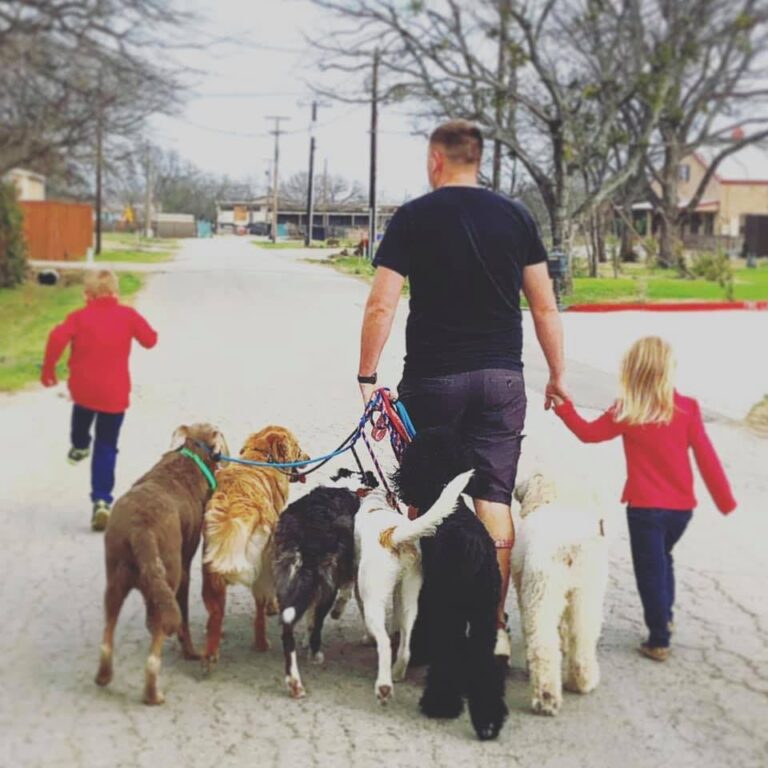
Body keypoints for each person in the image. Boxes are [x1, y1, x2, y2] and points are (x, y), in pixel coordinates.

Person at [356, 119, 567, 657]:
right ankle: (491, 625)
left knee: (426, 499)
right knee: (494, 499)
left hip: (434, 380)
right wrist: (559, 374)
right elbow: (543, 304)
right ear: (477, 158)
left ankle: (426, 623)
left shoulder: (413, 218)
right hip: (501, 378)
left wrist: (367, 374)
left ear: (436, 160)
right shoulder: (516, 216)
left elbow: (382, 302)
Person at [552, 336, 737, 661]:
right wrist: (725, 501)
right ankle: (664, 616)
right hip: (681, 510)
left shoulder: (627, 409)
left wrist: (563, 408)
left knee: (651, 570)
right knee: (664, 559)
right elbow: (707, 458)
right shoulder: (687, 408)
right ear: (668, 371)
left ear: (632, 371)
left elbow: (588, 433)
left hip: (645, 509)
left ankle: (659, 639)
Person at [41, 269, 158, 531]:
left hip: (83, 392)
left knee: (80, 425)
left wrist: (48, 369)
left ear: (87, 295)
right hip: (114, 396)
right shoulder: (127, 315)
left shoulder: (80, 317)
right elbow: (150, 341)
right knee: (106, 446)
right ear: (115, 293)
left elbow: (56, 337)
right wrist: (139, 329)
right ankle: (102, 501)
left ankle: (80, 446)